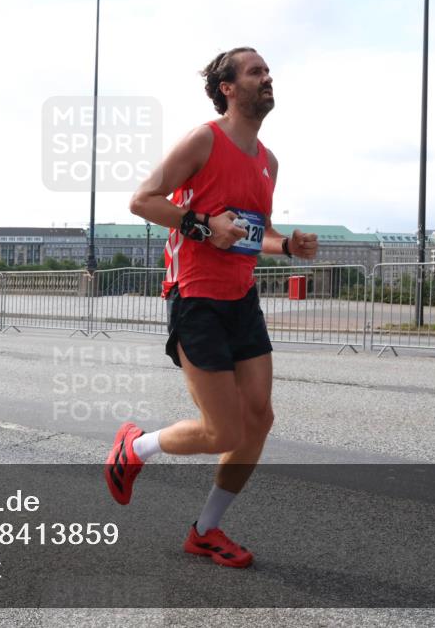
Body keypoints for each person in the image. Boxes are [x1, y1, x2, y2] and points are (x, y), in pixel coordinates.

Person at [106, 47, 318, 568]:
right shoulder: (205, 139)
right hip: (196, 297)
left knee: (258, 419)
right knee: (222, 430)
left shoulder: (268, 162)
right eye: (255, 72)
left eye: (269, 70)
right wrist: (202, 224)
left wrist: (286, 246)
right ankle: (135, 448)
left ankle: (206, 530)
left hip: (242, 299)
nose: (267, 78)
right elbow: (143, 199)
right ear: (227, 87)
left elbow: (253, 234)